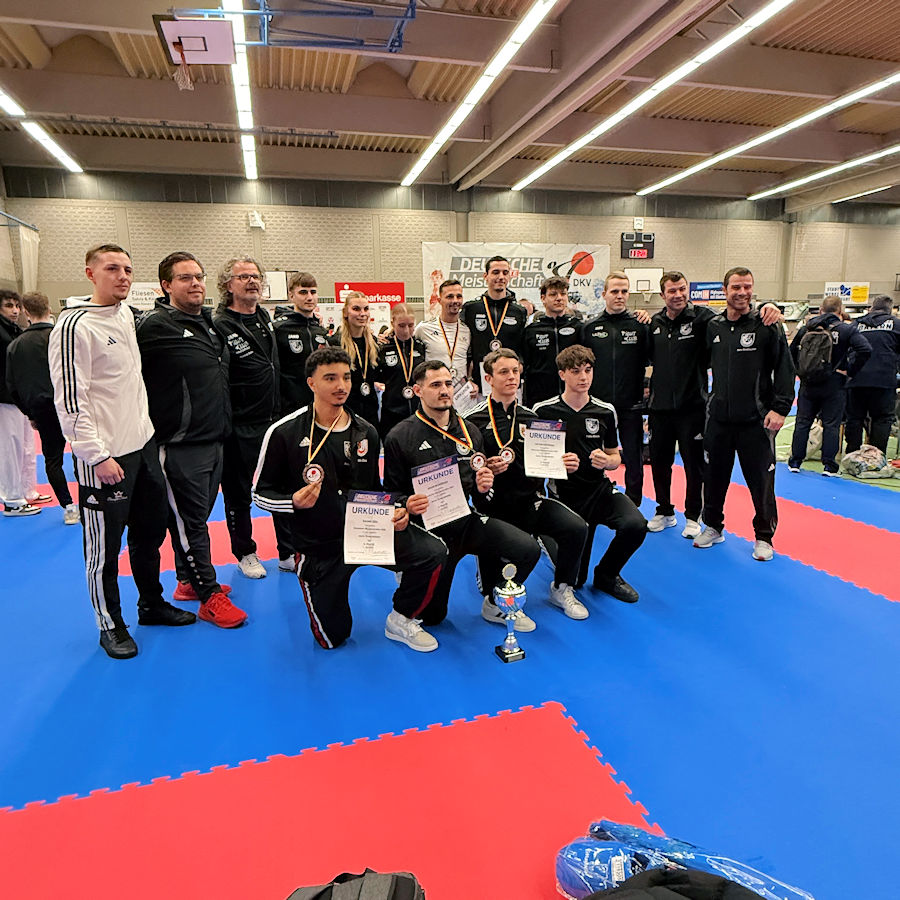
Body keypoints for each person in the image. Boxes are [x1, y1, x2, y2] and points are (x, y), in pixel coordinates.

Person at [48, 244, 195, 659]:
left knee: (149, 534)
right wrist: (96, 455)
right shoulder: (75, 326)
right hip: (105, 455)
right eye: (112, 268)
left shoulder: (126, 316)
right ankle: (109, 623)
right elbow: (71, 400)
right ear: (91, 274)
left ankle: (151, 604)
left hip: (142, 447)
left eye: (128, 269)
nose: (123, 276)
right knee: (104, 548)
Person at [252, 347, 447, 652]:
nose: (341, 385)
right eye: (330, 378)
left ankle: (401, 618)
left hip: (368, 532)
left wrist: (397, 508)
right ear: (311, 383)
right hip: (320, 545)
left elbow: (375, 489)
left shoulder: (366, 431)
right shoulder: (284, 432)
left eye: (346, 377)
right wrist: (292, 502)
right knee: (332, 638)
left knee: (432, 551)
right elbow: (259, 494)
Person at [383, 360, 541, 631]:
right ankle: (409, 586)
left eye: (447, 383)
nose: (444, 390)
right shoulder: (400, 436)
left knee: (527, 549)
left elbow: (480, 493)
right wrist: (405, 502)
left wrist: (483, 486)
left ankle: (495, 602)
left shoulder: (470, 431)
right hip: (428, 529)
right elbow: (390, 495)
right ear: (418, 391)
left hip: (464, 520)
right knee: (433, 617)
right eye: (435, 385)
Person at [136, 251, 246, 628]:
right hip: (179, 445)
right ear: (166, 285)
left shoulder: (208, 323)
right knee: (190, 524)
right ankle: (209, 596)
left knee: (195, 518)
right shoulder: (154, 326)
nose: (195, 283)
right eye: (185, 278)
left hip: (214, 438)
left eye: (198, 276)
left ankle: (187, 581)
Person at [646, 273, 783, 536]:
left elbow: (738, 314)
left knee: (695, 466)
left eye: (682, 289)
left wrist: (768, 306)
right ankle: (664, 511)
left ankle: (693, 516)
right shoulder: (654, 323)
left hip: (694, 407)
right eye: (672, 291)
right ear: (662, 295)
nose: (678, 295)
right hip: (661, 409)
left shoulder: (704, 319)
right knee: (661, 465)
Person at [465, 349, 590, 620]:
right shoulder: (472, 421)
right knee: (491, 586)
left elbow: (546, 462)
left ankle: (562, 588)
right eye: (503, 372)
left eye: (515, 371)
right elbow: (467, 470)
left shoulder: (532, 418)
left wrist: (564, 464)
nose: (512, 377)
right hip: (494, 510)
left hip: (530, 502)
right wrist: (485, 470)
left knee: (577, 527)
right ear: (488, 378)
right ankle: (496, 600)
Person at [694, 267, 794, 561]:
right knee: (713, 478)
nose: (742, 293)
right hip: (719, 419)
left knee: (761, 482)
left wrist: (780, 408)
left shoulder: (767, 324)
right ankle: (713, 526)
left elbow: (785, 368)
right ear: (724, 291)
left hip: (757, 420)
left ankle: (764, 537)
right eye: (736, 287)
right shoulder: (713, 326)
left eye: (747, 287)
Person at [534, 345, 647, 603]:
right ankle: (546, 536)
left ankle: (607, 575)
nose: (583, 377)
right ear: (562, 374)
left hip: (598, 490)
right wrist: (557, 464)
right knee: (575, 579)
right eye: (576, 371)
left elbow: (615, 456)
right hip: (564, 495)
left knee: (636, 525)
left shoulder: (604, 410)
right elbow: (535, 463)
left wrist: (608, 461)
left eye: (588, 370)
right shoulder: (544, 411)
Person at [213, 255, 291, 577]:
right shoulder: (220, 325)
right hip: (239, 425)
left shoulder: (264, 317)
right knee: (238, 493)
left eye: (256, 276)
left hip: (272, 421)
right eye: (243, 276)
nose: (252, 281)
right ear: (227, 285)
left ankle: (287, 551)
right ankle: (245, 551)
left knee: (281, 487)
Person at [577, 271, 650, 508]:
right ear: (604, 294)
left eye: (624, 291)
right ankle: (592, 500)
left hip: (631, 404)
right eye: (615, 291)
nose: (620, 296)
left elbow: (652, 360)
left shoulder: (640, 326)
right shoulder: (589, 328)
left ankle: (633, 504)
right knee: (593, 453)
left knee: (633, 456)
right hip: (598, 405)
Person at [6, 291, 77, 523]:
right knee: (84, 453)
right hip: (72, 405)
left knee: (53, 460)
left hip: (42, 409)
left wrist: (30, 413)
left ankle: (69, 507)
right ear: (48, 308)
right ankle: (93, 500)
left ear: (26, 312)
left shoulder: (16, 346)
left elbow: (12, 386)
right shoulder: (64, 337)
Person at [788, 295, 872, 474]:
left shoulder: (806, 328)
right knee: (831, 424)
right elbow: (865, 349)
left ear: (820, 310)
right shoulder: (846, 330)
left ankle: (795, 461)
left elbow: (790, 352)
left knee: (802, 422)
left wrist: (800, 371)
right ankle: (829, 465)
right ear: (840, 311)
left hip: (808, 382)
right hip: (834, 382)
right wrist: (850, 370)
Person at [460, 256, 527, 394]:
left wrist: (520, 366)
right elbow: (466, 347)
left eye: (505, 272)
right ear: (486, 276)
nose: (501, 277)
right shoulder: (472, 309)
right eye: (496, 272)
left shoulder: (519, 311)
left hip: (510, 381)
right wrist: (469, 377)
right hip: (478, 384)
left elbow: (523, 347)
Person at [844, 295, 900, 456]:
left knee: (854, 418)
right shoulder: (896, 325)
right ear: (890, 309)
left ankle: (852, 454)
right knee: (882, 418)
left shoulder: (856, 324)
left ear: (872, 308)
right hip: (884, 379)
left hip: (857, 378)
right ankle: (876, 456)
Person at [414, 279, 476, 407]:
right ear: (439, 300)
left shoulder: (467, 330)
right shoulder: (424, 329)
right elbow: (405, 341)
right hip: (435, 393)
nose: (455, 300)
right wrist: (389, 334)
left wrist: (470, 379)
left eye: (459, 296)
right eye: (449, 297)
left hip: (462, 396)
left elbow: (470, 359)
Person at [273, 271, 328, 415]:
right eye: (303, 292)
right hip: (290, 408)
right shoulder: (279, 329)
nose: (309, 297)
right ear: (291, 295)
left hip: (319, 405)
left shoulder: (320, 330)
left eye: (313, 292)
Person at [521, 276, 581, 407]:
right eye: (553, 294)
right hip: (540, 399)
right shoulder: (531, 331)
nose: (559, 298)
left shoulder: (579, 328)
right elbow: (524, 365)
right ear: (543, 298)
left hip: (573, 398)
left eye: (563, 294)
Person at [328, 291, 380, 426]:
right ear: (345, 312)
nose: (362, 314)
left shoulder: (374, 343)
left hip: (370, 412)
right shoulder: (335, 343)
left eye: (366, 309)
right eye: (356, 309)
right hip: (344, 411)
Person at [377, 303, 425, 438]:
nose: (406, 331)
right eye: (401, 326)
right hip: (392, 413)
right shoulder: (383, 348)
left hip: (418, 412)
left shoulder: (420, 347)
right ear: (392, 323)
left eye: (410, 325)